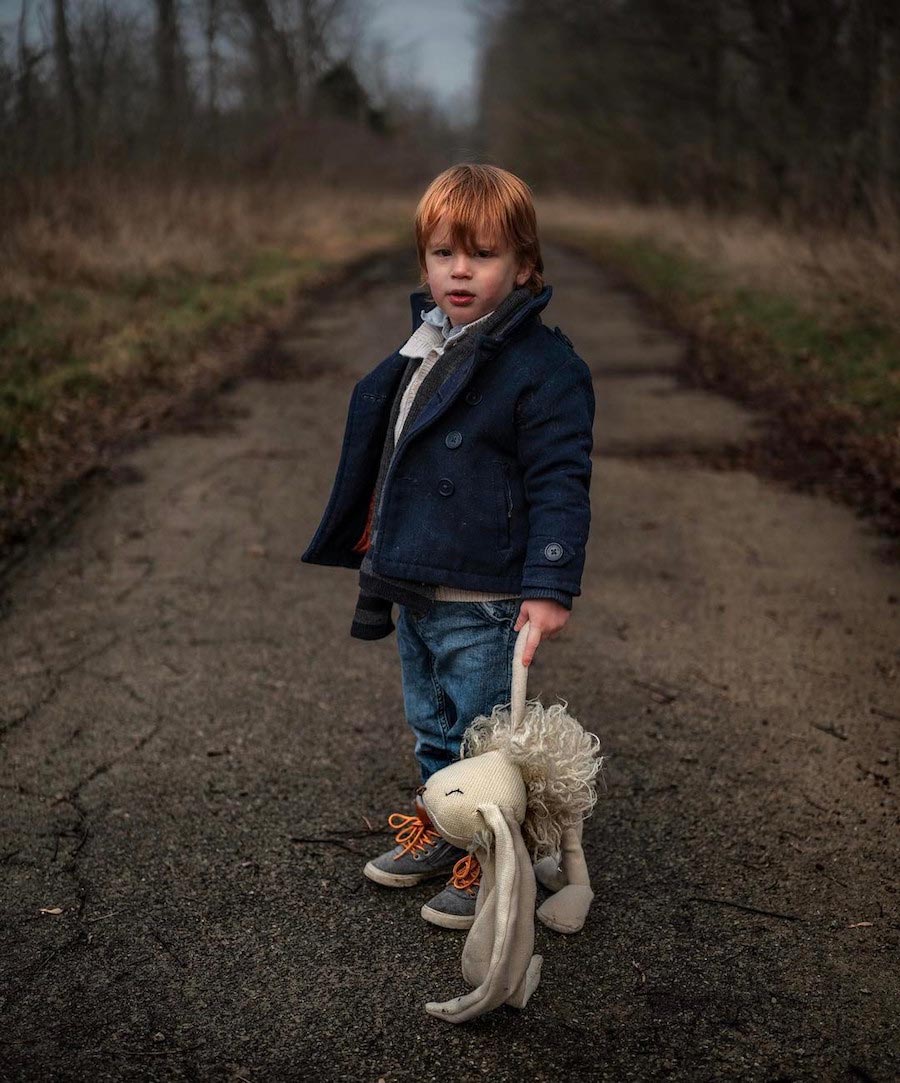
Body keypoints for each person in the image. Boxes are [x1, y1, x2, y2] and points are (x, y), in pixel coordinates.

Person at [301, 163, 595, 930]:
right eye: (442, 254)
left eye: (483, 254)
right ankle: (445, 824)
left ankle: (494, 854)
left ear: (525, 265)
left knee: (484, 739)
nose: (459, 270)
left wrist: (549, 584)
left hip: (488, 594)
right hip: (416, 582)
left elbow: (562, 479)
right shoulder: (428, 343)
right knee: (433, 726)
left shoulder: (544, 367)